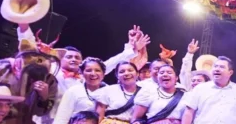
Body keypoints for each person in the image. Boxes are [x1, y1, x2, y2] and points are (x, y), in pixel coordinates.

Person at [17, 23, 146, 98]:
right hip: (49, 117)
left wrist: (131, 44)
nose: (74, 59)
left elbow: (113, 62)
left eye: (77, 57)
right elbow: (29, 51)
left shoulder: (87, 75)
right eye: (69, 57)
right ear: (60, 60)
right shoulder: (52, 70)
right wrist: (24, 27)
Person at [50, 57, 106, 124]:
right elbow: (61, 118)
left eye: (97, 70)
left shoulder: (109, 92)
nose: (93, 73)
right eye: (88, 70)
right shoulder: (74, 91)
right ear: (82, 73)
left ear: (103, 74)